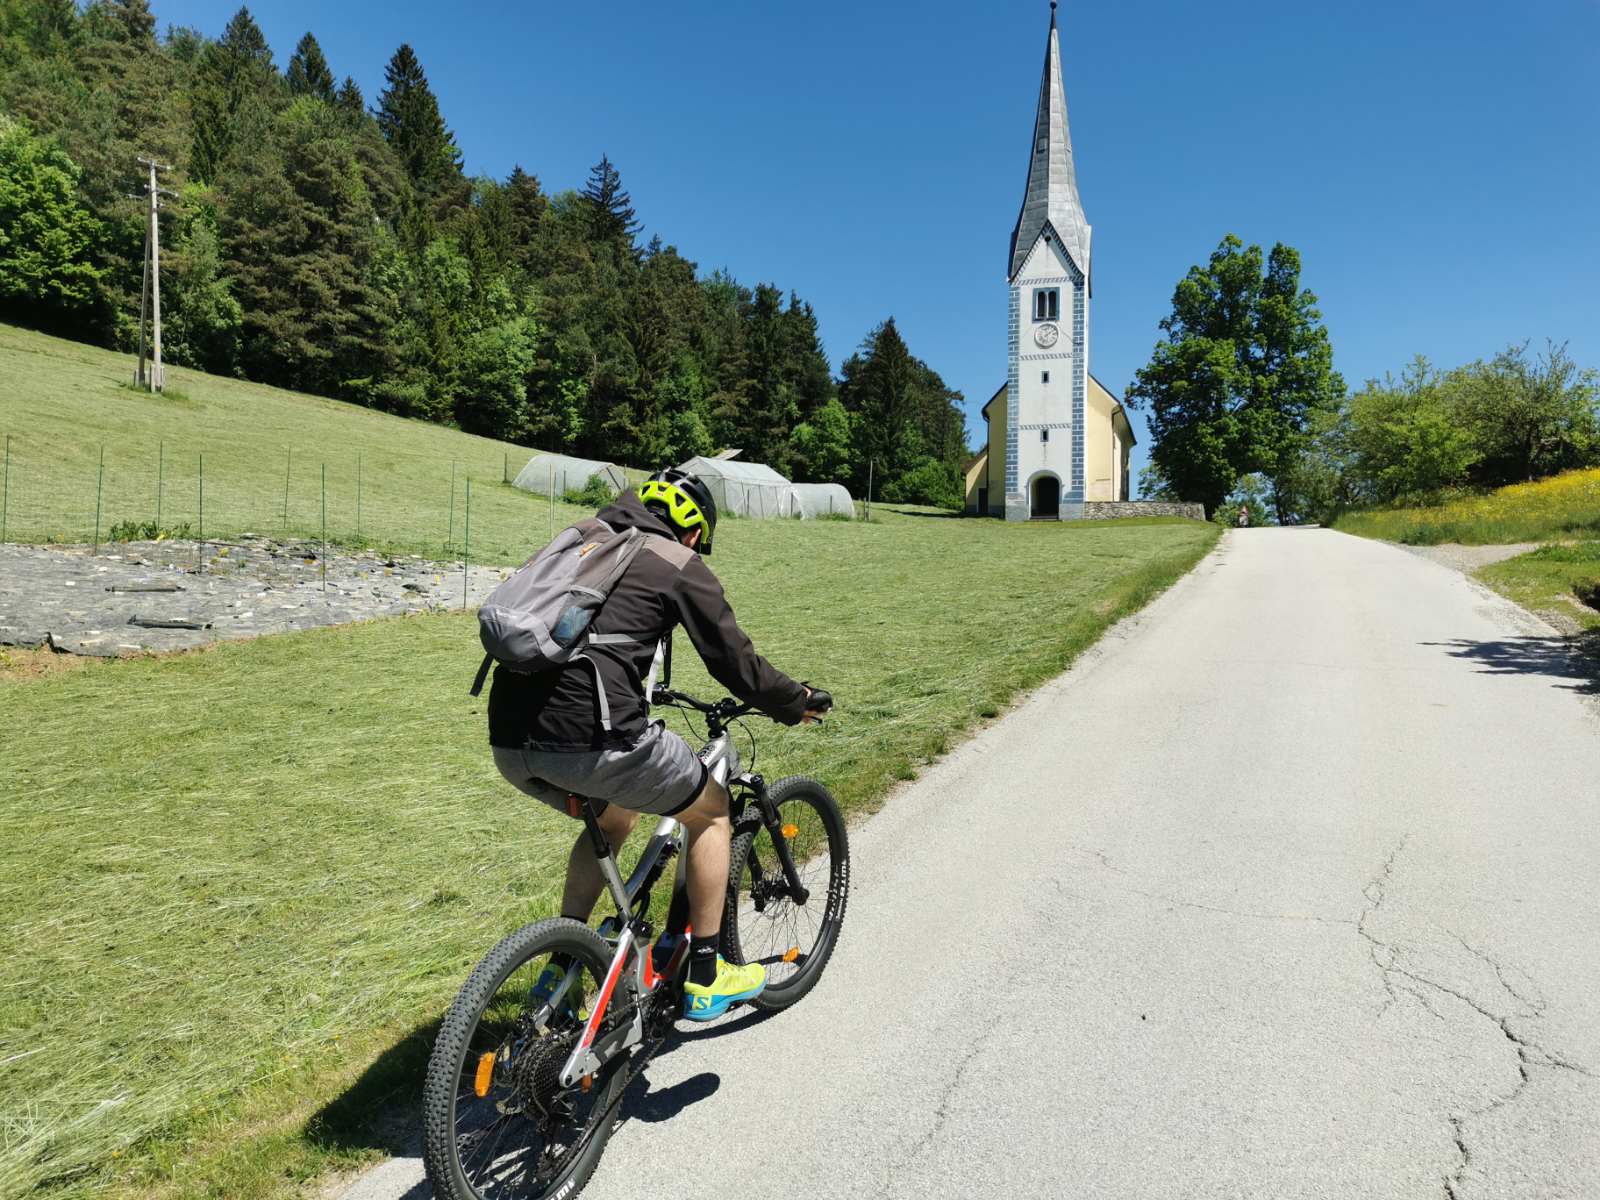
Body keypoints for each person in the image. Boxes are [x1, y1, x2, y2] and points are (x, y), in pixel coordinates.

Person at [488, 468, 828, 1020]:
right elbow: (733, 661)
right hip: (593, 737)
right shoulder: (677, 562)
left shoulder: (586, 537)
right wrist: (795, 701)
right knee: (712, 813)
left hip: (509, 737)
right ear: (693, 534)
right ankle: (707, 972)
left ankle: (564, 963)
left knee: (614, 812)